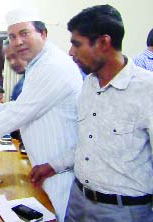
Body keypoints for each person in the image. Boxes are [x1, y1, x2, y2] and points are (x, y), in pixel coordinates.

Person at [0, 7, 83, 222]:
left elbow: (21, 113)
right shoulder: (38, 64)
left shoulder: (53, 66)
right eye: (12, 36)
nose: (18, 42)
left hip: (59, 171)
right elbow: (23, 105)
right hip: (44, 166)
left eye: (24, 33)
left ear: (43, 34)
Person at [31, 5, 153, 222]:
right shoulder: (88, 84)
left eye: (77, 44)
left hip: (123, 211)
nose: (71, 52)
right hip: (78, 201)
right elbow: (87, 142)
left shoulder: (147, 90)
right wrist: (51, 166)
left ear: (104, 43)